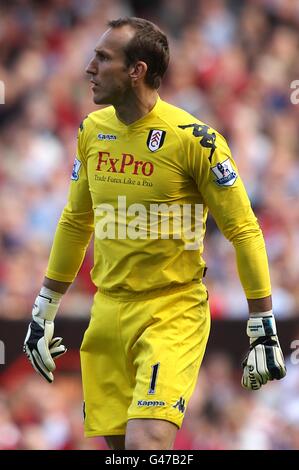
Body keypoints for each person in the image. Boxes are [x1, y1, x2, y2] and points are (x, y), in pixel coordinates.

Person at [23, 17, 286, 450]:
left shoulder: (195, 141)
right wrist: (44, 308)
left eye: (103, 58)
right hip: (107, 311)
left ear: (136, 70)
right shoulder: (93, 131)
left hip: (172, 309)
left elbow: (243, 229)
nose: (89, 67)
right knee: (119, 451)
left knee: (146, 444)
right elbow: (75, 221)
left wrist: (263, 323)